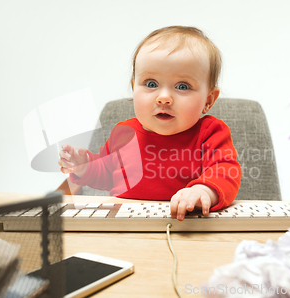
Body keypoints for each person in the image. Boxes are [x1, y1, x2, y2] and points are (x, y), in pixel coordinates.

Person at [59, 26, 241, 221]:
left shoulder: (211, 133)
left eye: (182, 86)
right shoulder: (124, 133)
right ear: (133, 87)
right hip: (122, 225)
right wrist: (84, 166)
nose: (164, 98)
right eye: (151, 84)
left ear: (208, 100)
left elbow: (225, 171)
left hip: (184, 225)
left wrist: (203, 190)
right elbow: (106, 173)